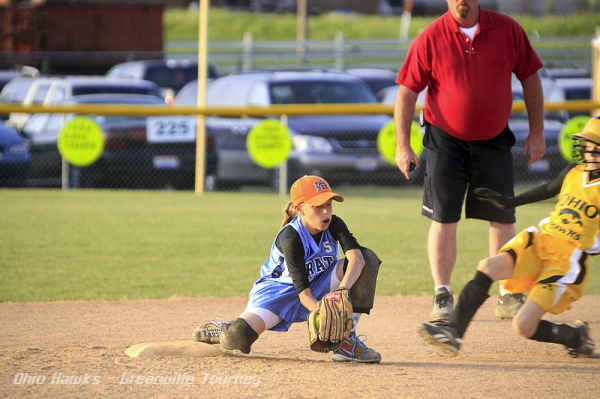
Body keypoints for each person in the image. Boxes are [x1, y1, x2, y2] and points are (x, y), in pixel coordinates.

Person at [393, 0, 546, 323]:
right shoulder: (430, 36)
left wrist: (537, 132)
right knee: (444, 218)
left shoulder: (507, 30)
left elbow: (530, 76)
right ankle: (442, 295)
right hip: (445, 141)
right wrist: (402, 146)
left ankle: (508, 293)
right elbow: (408, 91)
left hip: (493, 139)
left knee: (502, 217)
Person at [419, 116, 600, 358]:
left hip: (566, 261)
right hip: (541, 240)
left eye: (595, 147)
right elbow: (547, 189)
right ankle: (454, 333)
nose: (589, 152)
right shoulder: (575, 171)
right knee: (488, 266)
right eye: (587, 145)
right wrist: (508, 202)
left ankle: (574, 336)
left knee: (523, 325)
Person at [192, 175, 382, 363]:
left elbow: (357, 260)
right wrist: (323, 312)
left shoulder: (334, 224)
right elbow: (304, 296)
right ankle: (221, 328)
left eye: (329, 204)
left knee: (368, 259)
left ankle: (346, 342)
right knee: (237, 336)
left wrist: (341, 293)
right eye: (317, 206)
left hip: (319, 282)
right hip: (276, 294)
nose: (326, 212)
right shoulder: (291, 238)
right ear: (299, 208)